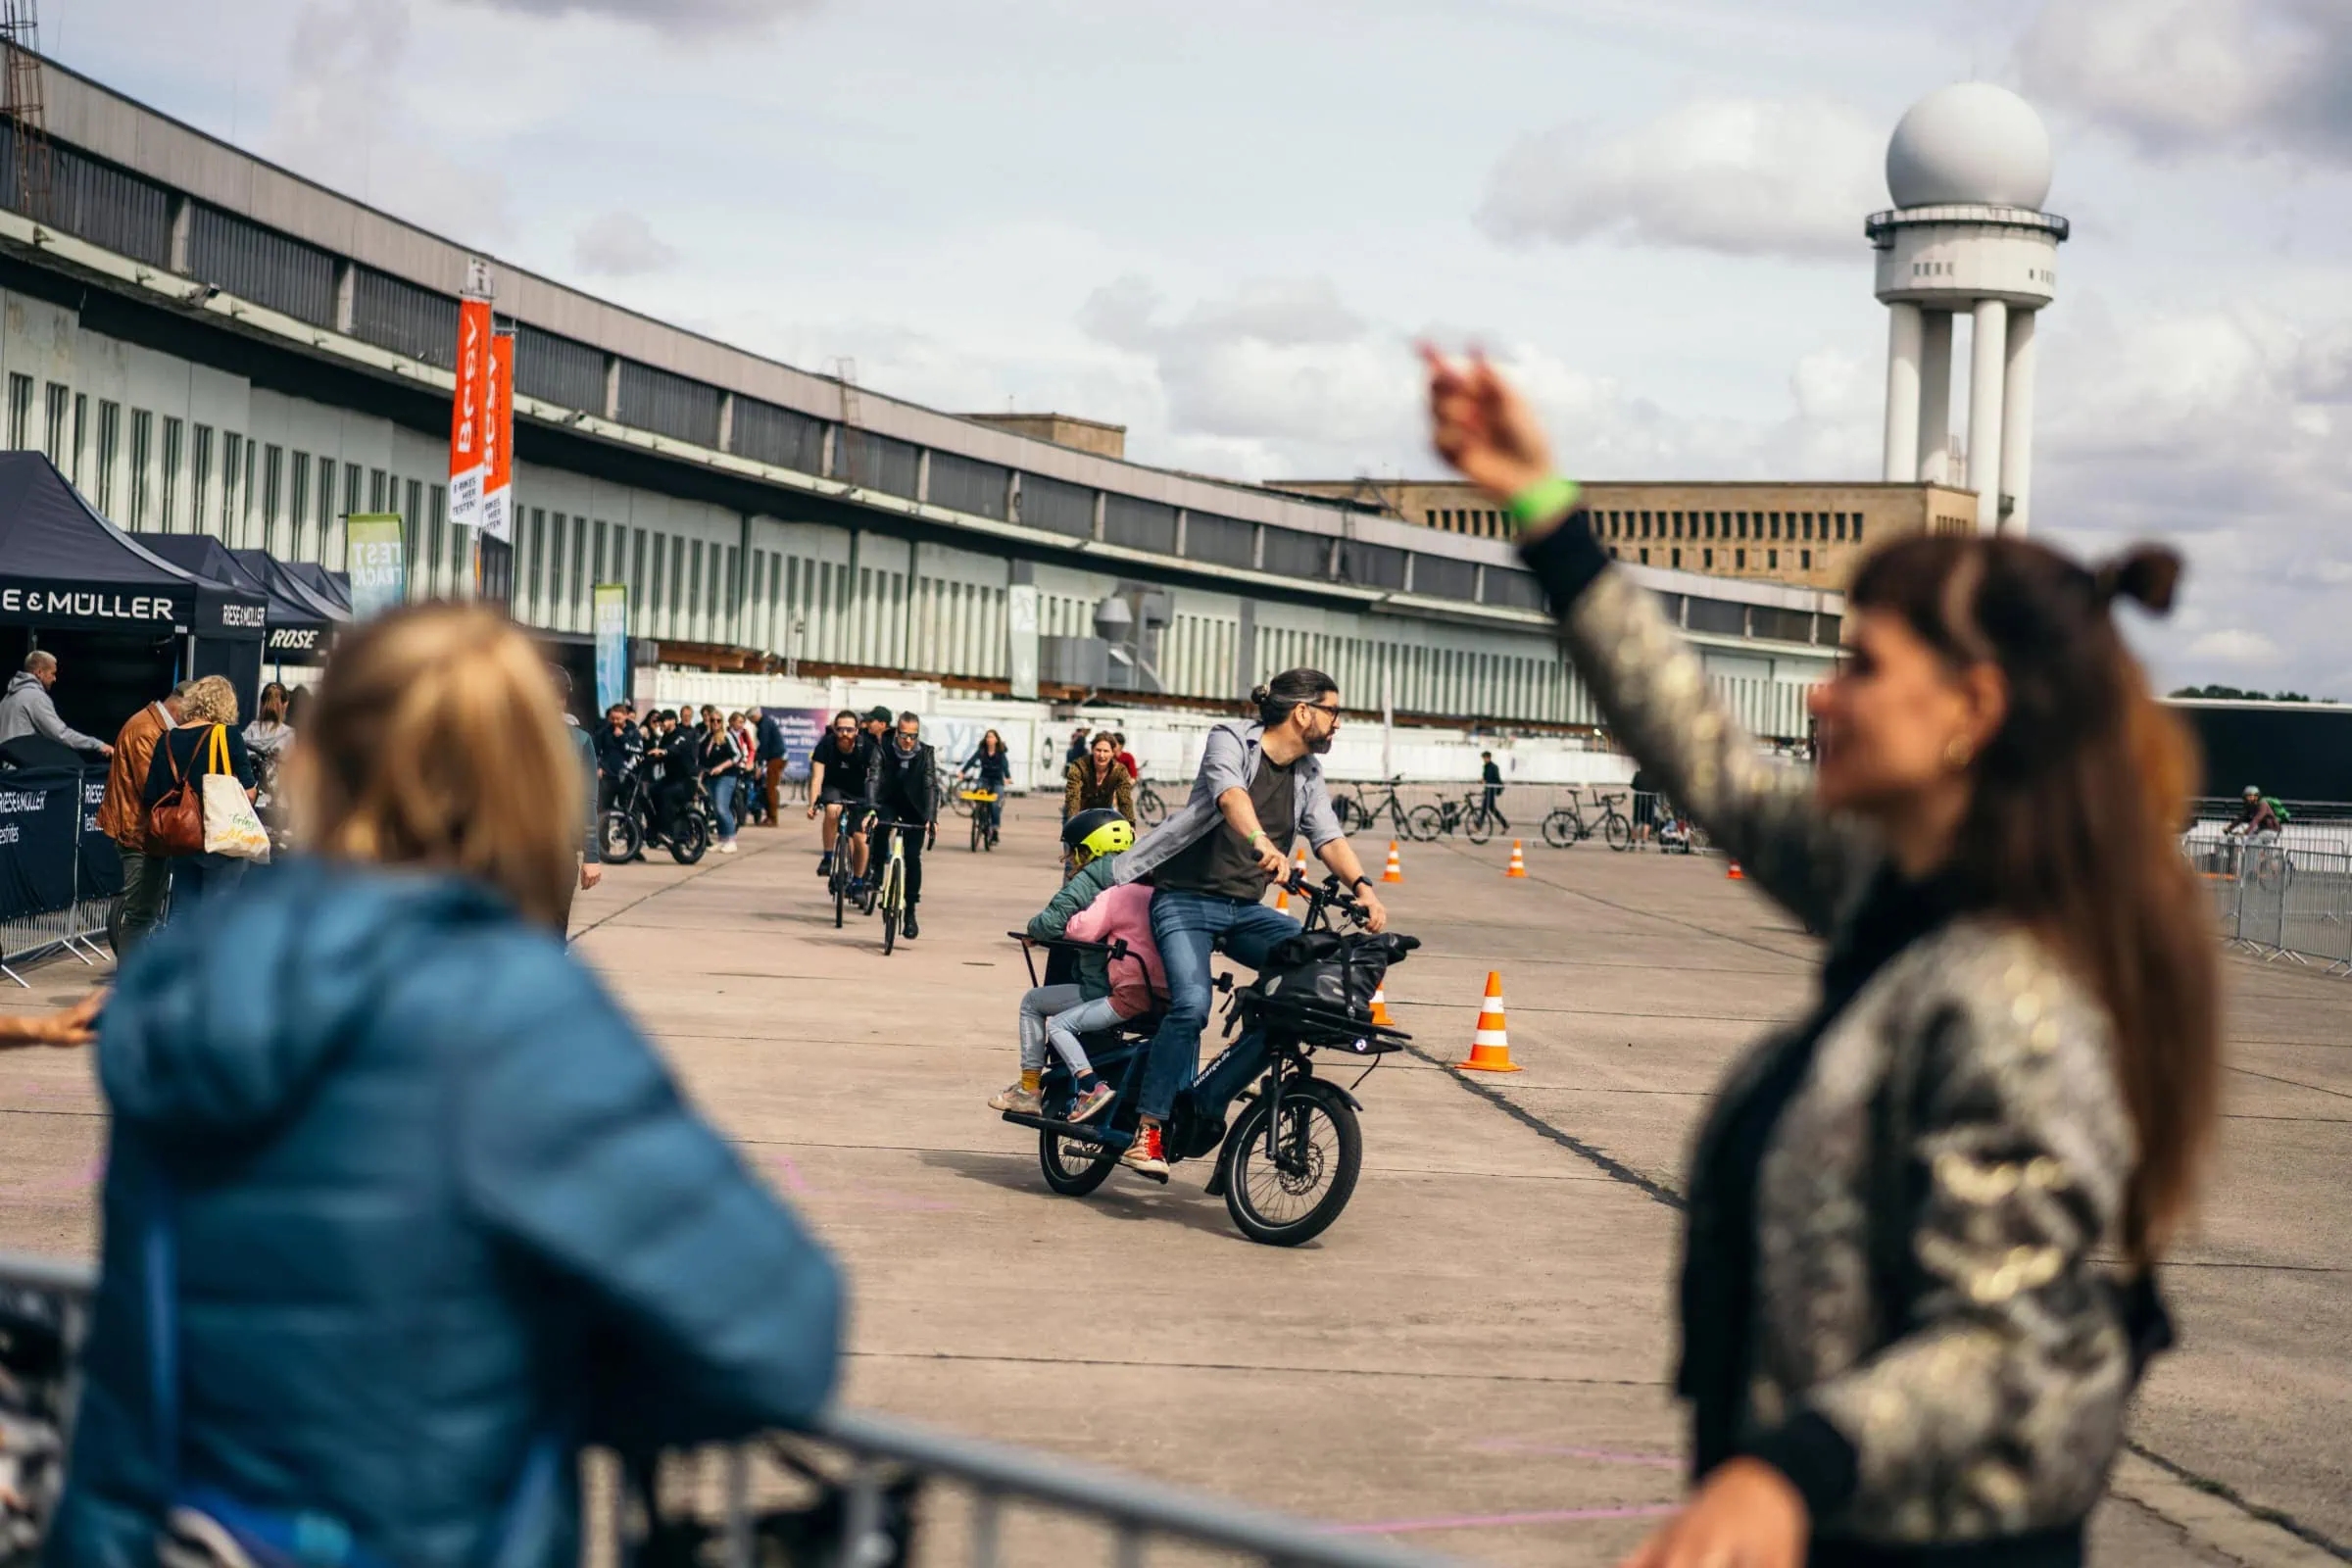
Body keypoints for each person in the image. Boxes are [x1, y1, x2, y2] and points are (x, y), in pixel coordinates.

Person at [1425, 345, 2219, 1568]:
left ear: (1973, 710)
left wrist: (1790, 1473)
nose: (1819, 699)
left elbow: (2013, 1339)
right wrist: (1543, 509)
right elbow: (1709, 761)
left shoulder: (2015, 995)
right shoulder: (1892, 895)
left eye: (1863, 667)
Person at [50, 602, 842, 1568]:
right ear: (526, 779)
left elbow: (139, 1348)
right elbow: (777, 1333)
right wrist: (539, 1387)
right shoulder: (511, 1009)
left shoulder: (190, 983)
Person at [1110, 668, 1387, 1177]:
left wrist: (1364, 888)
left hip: (1245, 910)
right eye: (1333, 711)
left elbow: (1328, 836)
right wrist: (1262, 842)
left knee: (1315, 969)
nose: (1338, 723)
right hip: (1184, 901)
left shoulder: (1307, 772)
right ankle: (1148, 1130)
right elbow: (1230, 795)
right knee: (1191, 1006)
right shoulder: (1232, 740)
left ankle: (1221, 1087)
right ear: (1302, 712)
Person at [992, 809, 1161, 1122]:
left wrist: (1035, 931)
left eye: (1074, 851)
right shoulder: (1144, 874)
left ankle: (1030, 1088)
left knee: (1032, 1003)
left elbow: (1052, 923)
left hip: (1104, 986)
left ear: (1090, 848)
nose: (1070, 859)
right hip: (1154, 988)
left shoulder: (1094, 878)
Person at [139, 673, 257, 911]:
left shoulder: (167, 739)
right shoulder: (228, 736)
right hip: (221, 841)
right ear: (226, 705)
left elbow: (152, 795)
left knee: (182, 914)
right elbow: (249, 793)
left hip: (182, 839)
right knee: (217, 916)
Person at [98, 679, 192, 956]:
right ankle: (130, 981)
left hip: (147, 834)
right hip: (139, 834)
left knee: (144, 915)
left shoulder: (154, 727)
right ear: (181, 706)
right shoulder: (146, 730)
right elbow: (152, 787)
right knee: (139, 917)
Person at [865, 710, 936, 939]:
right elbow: (874, 777)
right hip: (889, 801)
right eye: (904, 735)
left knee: (913, 857)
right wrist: (871, 808)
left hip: (914, 806)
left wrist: (931, 818)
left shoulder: (926, 753)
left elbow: (930, 784)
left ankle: (911, 912)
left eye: (913, 736)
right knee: (881, 826)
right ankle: (877, 871)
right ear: (897, 732)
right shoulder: (883, 748)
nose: (908, 741)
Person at [552, 667, 603, 926]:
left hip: (560, 852)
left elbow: (588, 801)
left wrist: (592, 856)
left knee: (551, 934)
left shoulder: (580, 741)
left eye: (558, 694)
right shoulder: (508, 739)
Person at [0, 650, 112, 760]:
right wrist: (97, 745)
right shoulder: (35, 697)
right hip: (24, 769)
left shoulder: (6, 700)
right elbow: (61, 734)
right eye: (52, 673)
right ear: (39, 673)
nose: (55, 679)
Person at [808, 709, 875, 887]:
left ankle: (858, 882)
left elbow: (874, 779)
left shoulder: (867, 748)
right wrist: (813, 804)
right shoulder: (826, 745)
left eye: (849, 730)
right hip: (834, 788)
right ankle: (828, 856)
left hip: (859, 792)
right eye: (840, 729)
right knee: (832, 810)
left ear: (857, 730)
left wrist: (873, 807)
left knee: (860, 838)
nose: (845, 734)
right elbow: (817, 778)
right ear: (834, 729)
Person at [694, 706, 741, 855]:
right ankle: (722, 839)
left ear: (722, 722)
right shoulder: (707, 738)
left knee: (722, 808)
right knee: (716, 809)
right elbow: (701, 758)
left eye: (718, 721)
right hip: (710, 777)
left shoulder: (727, 736)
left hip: (726, 776)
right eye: (712, 720)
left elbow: (737, 755)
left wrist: (721, 767)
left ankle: (731, 840)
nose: (715, 723)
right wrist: (700, 776)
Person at [243, 682, 294, 820]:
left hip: (251, 800)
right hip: (279, 803)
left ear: (261, 703)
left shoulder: (250, 731)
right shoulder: (289, 735)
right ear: (285, 704)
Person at [1063, 733, 1135, 827]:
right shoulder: (1078, 767)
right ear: (1092, 750)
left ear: (1113, 753)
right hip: (1078, 811)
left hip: (1104, 811)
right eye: (1098, 750)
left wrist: (1130, 824)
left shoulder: (1120, 770)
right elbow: (1072, 796)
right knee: (1073, 833)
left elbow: (1125, 800)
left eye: (1106, 751)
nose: (1102, 755)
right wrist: (1073, 822)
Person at [961, 728, 1011, 844]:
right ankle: (979, 814)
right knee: (976, 794)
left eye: (992, 737)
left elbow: (1005, 765)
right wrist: (962, 772)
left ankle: (994, 831)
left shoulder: (1000, 752)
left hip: (997, 781)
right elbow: (971, 761)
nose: (989, 739)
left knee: (995, 804)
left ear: (996, 740)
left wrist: (1008, 777)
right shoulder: (982, 751)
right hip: (984, 779)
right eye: (988, 737)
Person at [594, 702, 642, 819]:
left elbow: (638, 751)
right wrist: (598, 767)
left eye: (618, 719)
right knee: (602, 810)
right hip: (607, 776)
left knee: (628, 810)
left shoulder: (633, 732)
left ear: (625, 716)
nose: (615, 722)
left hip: (626, 777)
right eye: (612, 718)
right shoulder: (605, 732)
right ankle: (602, 831)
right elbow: (595, 751)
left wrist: (622, 737)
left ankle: (628, 830)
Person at [756, 708, 789, 826]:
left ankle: (772, 819)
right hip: (777, 758)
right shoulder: (766, 722)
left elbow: (764, 745)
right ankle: (770, 816)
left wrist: (760, 763)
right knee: (769, 788)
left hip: (776, 759)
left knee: (770, 789)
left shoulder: (764, 724)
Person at [1479, 750, 1509, 830]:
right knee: (1492, 809)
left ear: (1488, 758)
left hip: (1491, 791)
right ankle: (1505, 825)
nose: (1483, 759)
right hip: (1488, 790)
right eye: (1483, 758)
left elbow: (1496, 779)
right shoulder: (1486, 766)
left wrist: (1486, 781)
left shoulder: (1493, 767)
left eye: (1484, 758)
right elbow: (1486, 778)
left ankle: (1478, 827)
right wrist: (1482, 780)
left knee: (1484, 808)